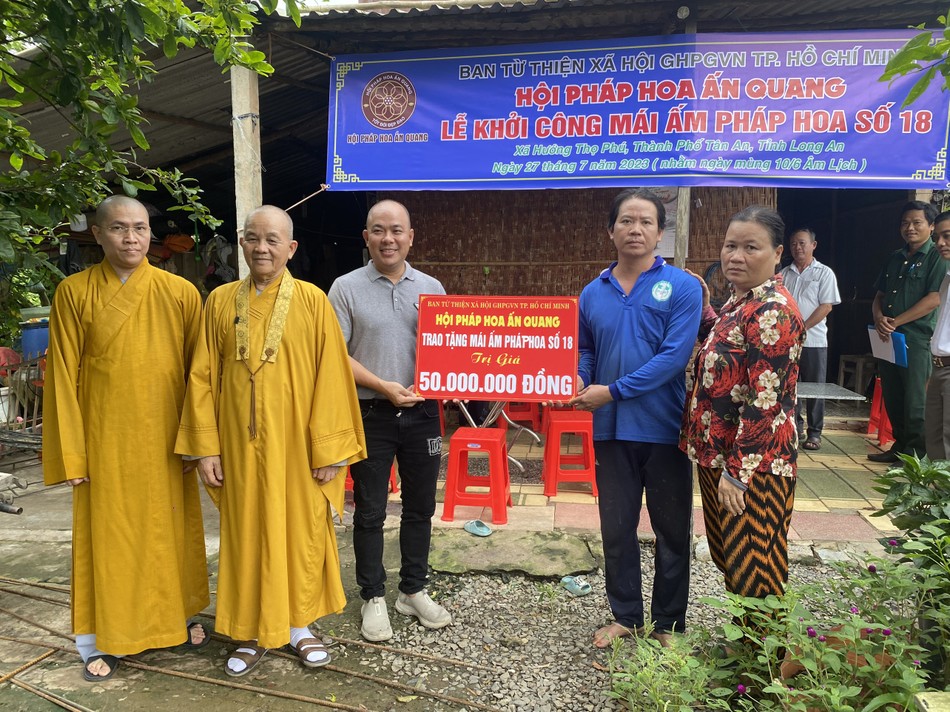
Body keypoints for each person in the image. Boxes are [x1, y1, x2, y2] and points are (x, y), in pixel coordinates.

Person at [176, 205, 366, 676]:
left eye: (273, 240)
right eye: (253, 238)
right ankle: (250, 631)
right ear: (241, 242)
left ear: (291, 248)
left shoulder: (312, 300)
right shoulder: (219, 300)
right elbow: (201, 375)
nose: (262, 248)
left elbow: (333, 377)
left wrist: (331, 450)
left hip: (299, 449)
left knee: (299, 532)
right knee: (247, 533)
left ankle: (300, 627)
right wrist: (205, 446)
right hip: (238, 449)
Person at [43, 195, 209, 681]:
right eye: (119, 228)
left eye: (140, 228)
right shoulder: (73, 293)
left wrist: (196, 441)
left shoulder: (179, 292)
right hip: (105, 441)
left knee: (168, 534)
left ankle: (177, 618)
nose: (132, 238)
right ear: (97, 234)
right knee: (110, 541)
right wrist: (72, 454)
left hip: (166, 439)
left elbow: (198, 375)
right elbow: (62, 380)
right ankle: (100, 637)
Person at [570, 188, 702, 648]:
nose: (635, 229)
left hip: (664, 429)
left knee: (671, 530)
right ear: (611, 230)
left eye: (646, 221)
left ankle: (669, 623)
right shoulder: (593, 291)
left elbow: (673, 358)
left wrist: (611, 391)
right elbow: (586, 348)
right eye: (626, 221)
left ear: (660, 233)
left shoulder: (684, 287)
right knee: (617, 528)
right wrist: (579, 379)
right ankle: (624, 614)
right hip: (609, 430)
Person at [328, 199, 451, 643]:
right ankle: (373, 595)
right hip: (369, 412)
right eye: (378, 230)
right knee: (371, 510)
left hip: (423, 413)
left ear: (411, 236)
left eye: (397, 231)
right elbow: (334, 354)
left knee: (421, 507)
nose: (388, 239)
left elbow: (448, 349)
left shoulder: (432, 288)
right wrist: (383, 386)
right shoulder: (345, 288)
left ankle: (412, 589)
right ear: (366, 237)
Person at [681, 206, 805, 600]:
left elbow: (764, 402)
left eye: (751, 247)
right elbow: (726, 350)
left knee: (756, 568)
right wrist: (705, 308)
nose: (736, 256)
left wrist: (737, 474)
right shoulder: (741, 303)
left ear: (777, 253)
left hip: (755, 465)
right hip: (720, 456)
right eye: (730, 245)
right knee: (731, 558)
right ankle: (745, 653)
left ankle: (768, 659)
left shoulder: (774, 311)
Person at [869, 201, 945, 463]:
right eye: (905, 223)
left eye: (917, 222)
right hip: (888, 337)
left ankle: (916, 456)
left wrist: (896, 321)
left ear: (931, 226)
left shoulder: (936, 256)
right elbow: (878, 295)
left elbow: (934, 299)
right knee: (893, 395)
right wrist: (879, 318)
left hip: (917, 338)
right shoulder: (895, 257)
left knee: (915, 401)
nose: (909, 228)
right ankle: (900, 446)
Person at [779, 229, 841, 451]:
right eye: (794, 243)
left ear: (814, 245)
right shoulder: (784, 274)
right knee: (790, 387)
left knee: (815, 388)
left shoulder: (824, 273)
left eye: (802, 243)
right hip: (788, 343)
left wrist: (801, 328)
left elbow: (826, 306)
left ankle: (815, 433)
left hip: (813, 342)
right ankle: (795, 428)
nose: (798, 247)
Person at [925, 211, 950, 461]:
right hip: (939, 366)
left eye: (947, 236)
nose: (940, 243)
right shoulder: (947, 278)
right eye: (937, 237)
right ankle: (940, 496)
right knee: (933, 437)